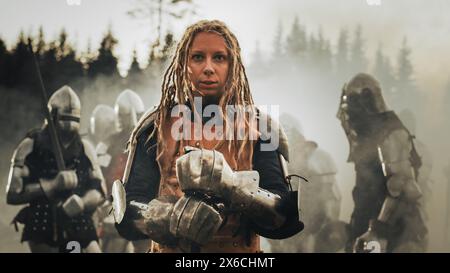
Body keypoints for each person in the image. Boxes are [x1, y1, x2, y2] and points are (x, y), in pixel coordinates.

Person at [115, 20, 302, 253]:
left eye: (219, 58)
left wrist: (232, 185)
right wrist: (172, 216)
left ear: (232, 65)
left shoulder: (261, 128)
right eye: (198, 57)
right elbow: (126, 214)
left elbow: (285, 218)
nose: (208, 68)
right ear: (184, 64)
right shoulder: (155, 127)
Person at [6, 85, 105, 253]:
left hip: (79, 221)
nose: (69, 123)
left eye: (73, 119)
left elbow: (100, 191)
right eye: (65, 117)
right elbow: (13, 194)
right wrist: (51, 185)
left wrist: (82, 202)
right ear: (52, 116)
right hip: (43, 222)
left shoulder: (85, 149)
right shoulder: (31, 147)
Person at [337, 73, 427, 253]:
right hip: (371, 227)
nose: (349, 116)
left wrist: (377, 231)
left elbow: (402, 186)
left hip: (395, 233)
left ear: (364, 103)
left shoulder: (390, 133)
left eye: (352, 108)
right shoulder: (372, 136)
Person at [89, 104, 133, 253]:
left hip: (128, 205)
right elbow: (98, 176)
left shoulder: (144, 139)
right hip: (112, 204)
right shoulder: (107, 144)